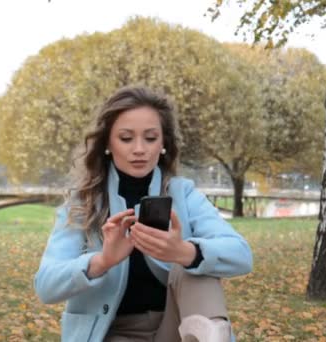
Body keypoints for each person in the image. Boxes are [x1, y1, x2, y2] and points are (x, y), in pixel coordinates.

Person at [34, 85, 253, 342]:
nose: (139, 149)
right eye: (126, 138)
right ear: (107, 143)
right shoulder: (82, 203)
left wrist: (183, 252)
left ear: (163, 143)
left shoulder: (184, 193)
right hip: (114, 333)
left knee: (194, 268)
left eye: (150, 138)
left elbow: (241, 255)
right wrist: (102, 261)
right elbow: (46, 286)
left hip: (181, 329)